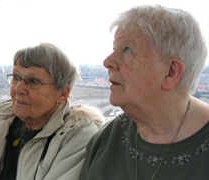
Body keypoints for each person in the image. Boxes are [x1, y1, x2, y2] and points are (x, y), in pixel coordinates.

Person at [80, 5, 209, 180]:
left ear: (170, 72)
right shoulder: (105, 141)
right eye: (114, 49)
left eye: (127, 49)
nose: (108, 61)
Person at [0, 43, 104, 180]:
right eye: (16, 78)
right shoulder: (0, 125)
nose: (18, 89)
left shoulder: (78, 134)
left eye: (33, 81)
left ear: (63, 93)